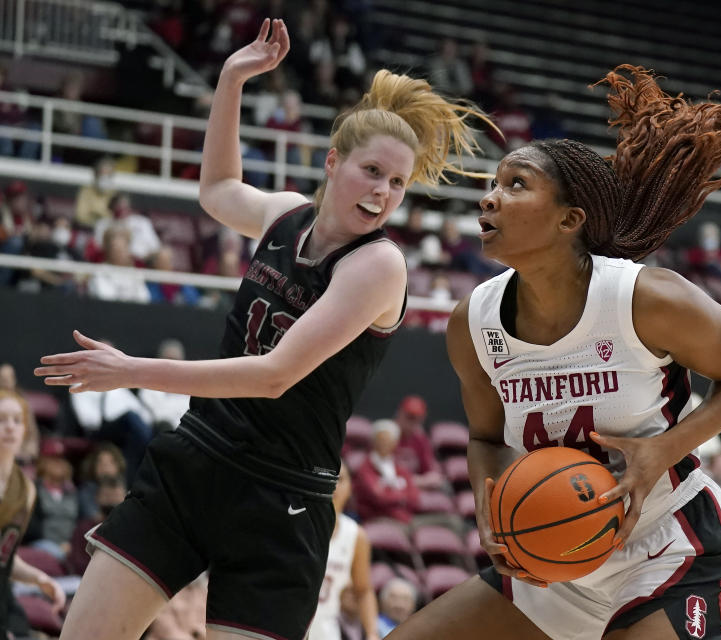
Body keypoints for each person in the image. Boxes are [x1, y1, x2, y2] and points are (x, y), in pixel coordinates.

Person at [35, 17, 491, 640]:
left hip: (284, 499)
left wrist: (130, 370)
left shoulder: (379, 266)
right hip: (198, 458)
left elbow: (274, 377)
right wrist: (230, 80)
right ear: (333, 162)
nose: (383, 192)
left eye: (397, 183)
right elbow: (219, 189)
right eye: (372, 171)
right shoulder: (286, 215)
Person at [390, 65, 721, 640]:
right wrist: (487, 501)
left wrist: (662, 451)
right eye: (494, 184)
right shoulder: (471, 322)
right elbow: (485, 439)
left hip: (664, 542)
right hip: (551, 553)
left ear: (570, 220)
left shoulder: (644, 297)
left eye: (516, 185)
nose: (491, 198)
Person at [0, 390, 67, 634]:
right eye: (2, 419)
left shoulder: (26, 489)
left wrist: (39, 579)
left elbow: (5, 558)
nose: (10, 427)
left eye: (17, 420)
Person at [308, 464, 379, 640]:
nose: (334, 485)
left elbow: (363, 591)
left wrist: (372, 633)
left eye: (341, 479)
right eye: (329, 477)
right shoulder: (296, 522)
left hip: (326, 630)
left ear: (350, 488)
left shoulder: (356, 535)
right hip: (287, 624)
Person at [353, 419, 420, 522]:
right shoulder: (365, 469)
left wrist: (391, 494)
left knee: (449, 521)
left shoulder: (399, 467)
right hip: (378, 518)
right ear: (374, 442)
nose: (384, 444)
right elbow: (378, 498)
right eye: (381, 440)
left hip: (405, 517)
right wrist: (402, 497)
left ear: (395, 443)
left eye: (388, 441)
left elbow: (414, 499)